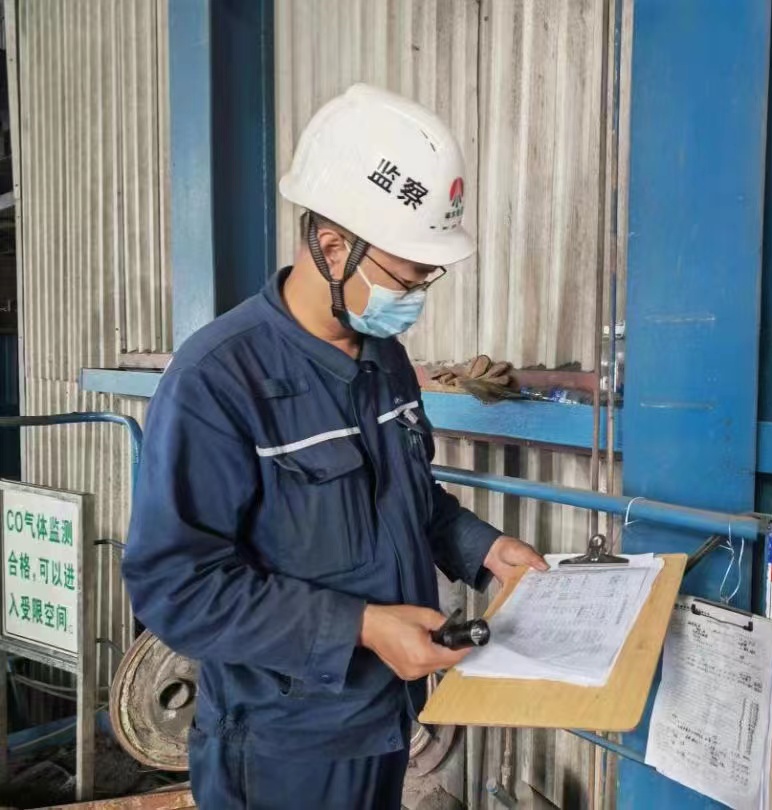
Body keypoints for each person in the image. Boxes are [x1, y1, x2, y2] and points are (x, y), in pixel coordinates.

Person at [122, 83, 547, 809]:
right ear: (331, 247)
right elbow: (176, 587)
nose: (419, 292)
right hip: (283, 748)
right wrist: (363, 626)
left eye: (428, 274)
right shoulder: (219, 381)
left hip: (385, 719)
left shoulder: (384, 359)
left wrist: (485, 550)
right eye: (407, 274)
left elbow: (409, 500)